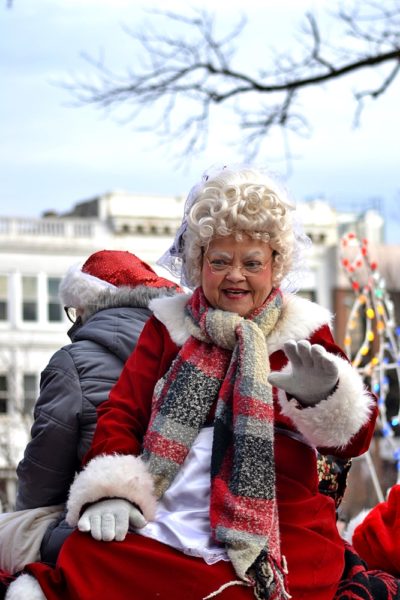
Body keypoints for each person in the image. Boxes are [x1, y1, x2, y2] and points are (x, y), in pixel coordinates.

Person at [6, 166, 380, 600]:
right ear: (199, 262)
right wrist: (112, 490)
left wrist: (326, 400)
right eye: (219, 261)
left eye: (251, 263)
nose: (235, 275)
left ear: (276, 265)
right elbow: (122, 412)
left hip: (280, 514)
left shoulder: (307, 329)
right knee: (92, 559)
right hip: (173, 502)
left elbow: (354, 443)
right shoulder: (169, 324)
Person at [0, 249, 180, 574]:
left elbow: (44, 474)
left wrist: (23, 517)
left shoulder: (74, 361)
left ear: (85, 306)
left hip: (103, 523)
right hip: (180, 522)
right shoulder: (188, 350)